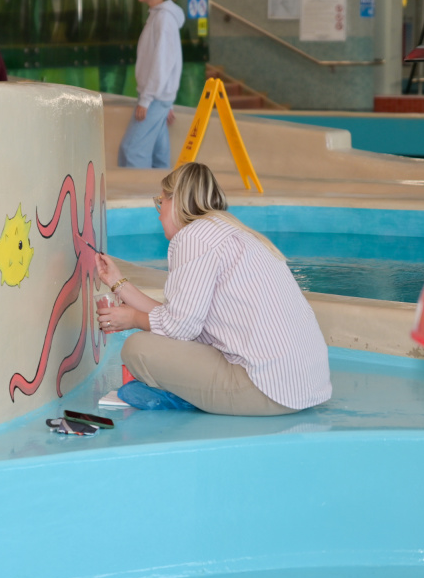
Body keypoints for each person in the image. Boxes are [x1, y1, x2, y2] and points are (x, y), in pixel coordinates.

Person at [95, 163, 332, 416]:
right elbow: (178, 317)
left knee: (137, 348)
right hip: (303, 388)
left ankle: (185, 396)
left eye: (160, 202)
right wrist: (118, 283)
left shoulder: (192, 237)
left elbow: (179, 327)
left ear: (176, 201)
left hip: (264, 390)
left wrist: (133, 319)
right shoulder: (229, 231)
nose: (159, 213)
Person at [118, 0, 185, 169]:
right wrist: (167, 102)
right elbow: (166, 60)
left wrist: (147, 99)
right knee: (158, 156)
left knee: (132, 151)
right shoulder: (158, 16)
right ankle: (162, 190)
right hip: (159, 97)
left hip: (154, 98)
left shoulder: (164, 19)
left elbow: (163, 62)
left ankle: (137, 191)